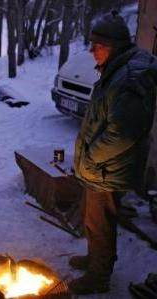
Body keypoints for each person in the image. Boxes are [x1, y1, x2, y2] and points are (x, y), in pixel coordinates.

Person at [71, 11, 157, 294]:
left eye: (97, 46)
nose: (92, 51)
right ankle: (98, 259)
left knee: (100, 223)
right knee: (96, 222)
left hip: (108, 167)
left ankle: (99, 275)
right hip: (102, 166)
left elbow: (124, 132)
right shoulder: (117, 68)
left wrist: (91, 156)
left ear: (113, 45)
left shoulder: (129, 78)